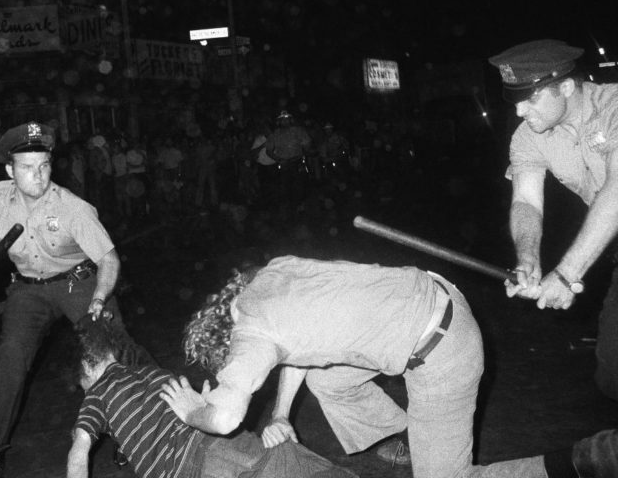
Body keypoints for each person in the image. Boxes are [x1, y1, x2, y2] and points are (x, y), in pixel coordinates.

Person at [160, 255, 560, 478]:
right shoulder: (275, 272)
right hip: (437, 297)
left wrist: (194, 412)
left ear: (227, 341)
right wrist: (280, 414)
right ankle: (409, 434)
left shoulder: (249, 332)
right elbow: (294, 349)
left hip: (443, 351)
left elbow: (226, 418)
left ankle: (568, 465)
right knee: (327, 382)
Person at [0, 121, 147, 478]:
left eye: (44, 165)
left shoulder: (72, 207)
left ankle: (132, 434)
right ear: (9, 170)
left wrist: (99, 300)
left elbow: (109, 260)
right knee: (9, 357)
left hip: (80, 282)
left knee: (115, 353)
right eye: (28, 167)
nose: (39, 175)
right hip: (28, 289)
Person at [67, 314, 358, 478]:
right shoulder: (152, 373)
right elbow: (198, 411)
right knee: (291, 465)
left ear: (87, 367)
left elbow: (79, 452)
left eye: (82, 384)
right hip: (222, 441)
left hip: (185, 471)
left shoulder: (96, 395)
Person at [488, 39, 618, 399]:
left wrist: (566, 274)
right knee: (612, 375)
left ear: (566, 87)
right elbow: (527, 202)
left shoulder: (614, 106)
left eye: (530, 98)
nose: (519, 111)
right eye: (515, 99)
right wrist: (527, 261)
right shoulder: (529, 136)